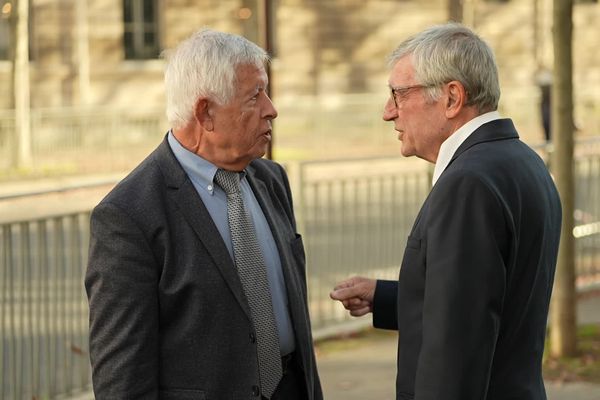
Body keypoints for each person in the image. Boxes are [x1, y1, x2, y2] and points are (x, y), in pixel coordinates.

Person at [85, 29, 322, 400]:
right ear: (205, 112)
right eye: (255, 96)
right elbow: (123, 377)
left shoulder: (271, 179)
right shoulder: (129, 216)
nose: (271, 108)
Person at [330, 23, 561, 400]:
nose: (389, 112)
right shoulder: (522, 161)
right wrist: (386, 297)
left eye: (398, 94)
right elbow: (485, 298)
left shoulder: (468, 183)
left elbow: (456, 351)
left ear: (452, 97)